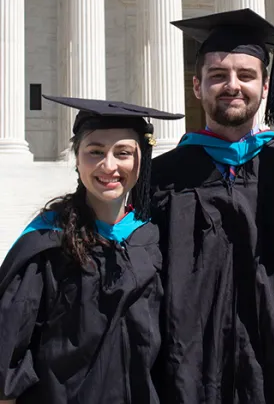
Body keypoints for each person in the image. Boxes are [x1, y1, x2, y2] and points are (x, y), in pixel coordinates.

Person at [151, 8, 274, 403]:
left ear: (265, 86)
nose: (232, 86)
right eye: (217, 76)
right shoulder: (160, 178)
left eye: (246, 75)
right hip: (189, 371)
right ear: (197, 86)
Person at [0, 96, 183, 404]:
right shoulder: (47, 242)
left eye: (123, 153)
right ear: (77, 158)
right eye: (95, 151)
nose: (108, 165)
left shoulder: (154, 235)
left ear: (141, 160)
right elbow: (9, 353)